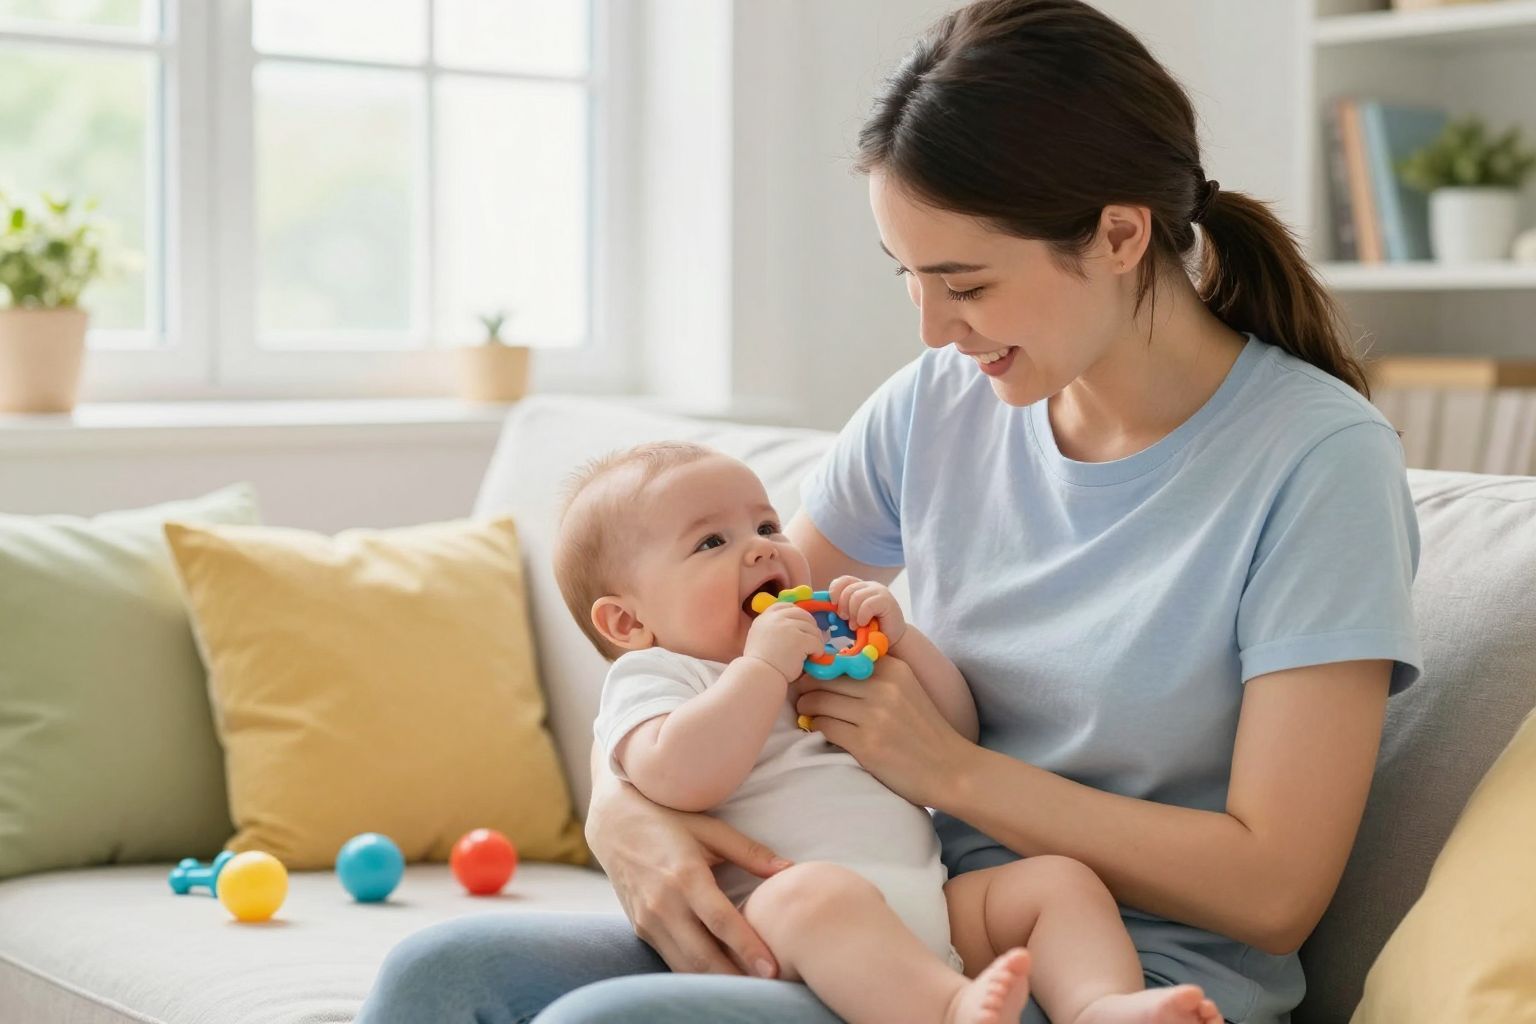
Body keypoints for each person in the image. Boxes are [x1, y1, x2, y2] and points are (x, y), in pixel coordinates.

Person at [356, 0, 1421, 1020]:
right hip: (887, 933)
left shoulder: (1315, 462)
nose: (933, 331)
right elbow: (730, 640)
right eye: (907, 277)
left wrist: (953, 772)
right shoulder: (940, 405)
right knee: (443, 974)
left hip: (1111, 977)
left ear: (1121, 235)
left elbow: (1275, 887)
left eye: (965, 281)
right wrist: (620, 807)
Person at [543, 439, 1223, 1024]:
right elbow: (679, 775)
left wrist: (903, 643)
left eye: (768, 526)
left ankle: (1096, 1006)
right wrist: (760, 670)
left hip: (930, 907)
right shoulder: (660, 676)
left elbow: (952, 730)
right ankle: (950, 1010)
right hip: (786, 931)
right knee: (817, 895)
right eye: (712, 542)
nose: (759, 550)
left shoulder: (822, 652)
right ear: (627, 623)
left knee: (1057, 883)